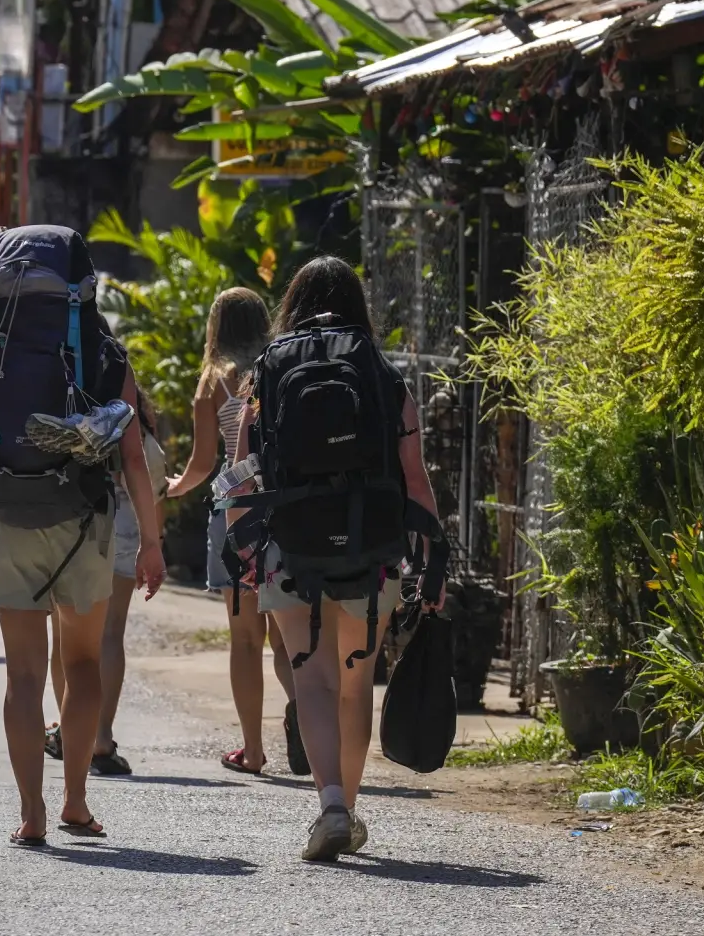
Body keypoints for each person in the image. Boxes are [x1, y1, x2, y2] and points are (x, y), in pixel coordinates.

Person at [0, 224, 165, 847]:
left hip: (6, 518)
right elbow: (134, 458)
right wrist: (150, 540)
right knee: (84, 662)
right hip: (83, 519)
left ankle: (30, 812)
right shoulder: (105, 351)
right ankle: (76, 801)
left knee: (22, 676)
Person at [228, 256, 442, 862]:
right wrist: (431, 558)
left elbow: (243, 476)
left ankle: (331, 806)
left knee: (311, 680)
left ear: (291, 303)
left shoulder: (266, 374)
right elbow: (415, 479)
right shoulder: (381, 374)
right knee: (354, 684)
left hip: (290, 546)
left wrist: (243, 548)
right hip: (372, 547)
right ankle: (347, 805)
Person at [163, 287, 302, 776]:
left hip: (237, 512)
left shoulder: (215, 382)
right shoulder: (277, 365)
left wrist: (172, 489)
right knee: (288, 636)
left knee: (246, 641)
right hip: (286, 513)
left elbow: (205, 464)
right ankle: (310, 716)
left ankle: (253, 750)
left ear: (216, 327)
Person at [45, 385, 165, 776]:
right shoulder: (136, 427)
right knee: (110, 635)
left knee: (66, 636)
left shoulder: (68, 410)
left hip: (79, 525)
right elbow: (155, 485)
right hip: (129, 531)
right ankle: (101, 736)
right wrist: (154, 542)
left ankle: (68, 726)